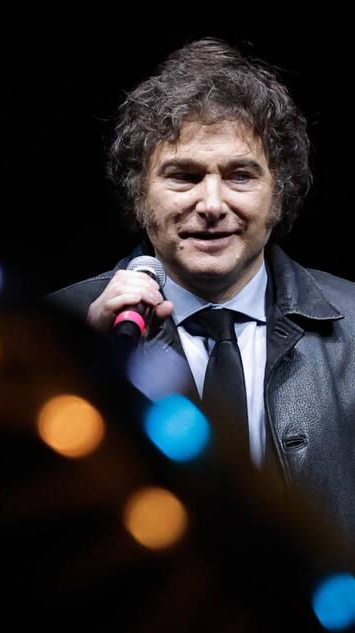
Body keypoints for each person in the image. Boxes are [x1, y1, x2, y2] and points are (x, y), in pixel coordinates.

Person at [45, 38, 354, 545]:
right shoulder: (58, 330)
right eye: (184, 176)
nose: (211, 204)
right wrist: (82, 365)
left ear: (279, 195)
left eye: (240, 176)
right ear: (139, 195)